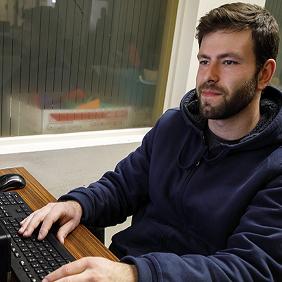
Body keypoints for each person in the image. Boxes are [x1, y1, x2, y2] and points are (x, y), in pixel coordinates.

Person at [19, 2, 282, 281]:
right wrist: (78, 205)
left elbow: (249, 269)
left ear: (264, 73)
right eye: (204, 60)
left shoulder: (274, 166)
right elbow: (122, 186)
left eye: (228, 62)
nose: (209, 76)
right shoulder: (174, 126)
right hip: (123, 264)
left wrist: (136, 274)